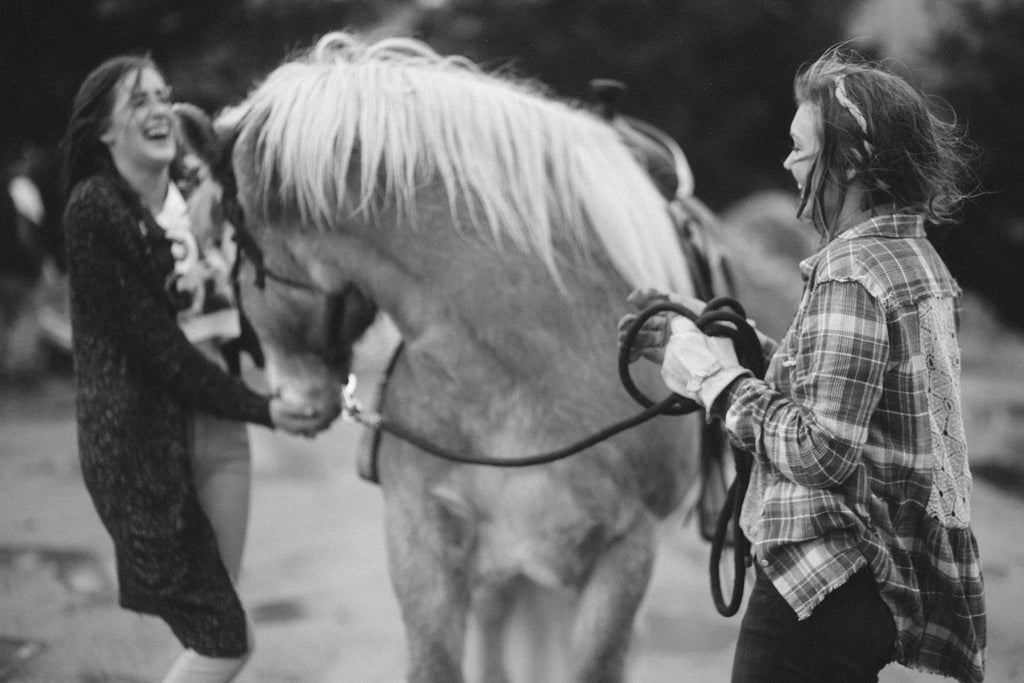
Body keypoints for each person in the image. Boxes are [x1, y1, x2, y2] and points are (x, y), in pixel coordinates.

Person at [619, 47, 985, 682]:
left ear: (855, 159)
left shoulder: (852, 274)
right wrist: (716, 329)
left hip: (822, 582)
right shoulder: (913, 262)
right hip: (872, 583)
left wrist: (706, 375)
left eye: (800, 147)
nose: (788, 162)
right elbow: (849, 394)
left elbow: (821, 450)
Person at [60, 54, 338, 682]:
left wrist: (296, 378)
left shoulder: (196, 202)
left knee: (220, 623)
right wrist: (267, 409)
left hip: (222, 436)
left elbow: (242, 311)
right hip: (147, 446)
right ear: (104, 131)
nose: (159, 110)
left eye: (163, 95)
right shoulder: (95, 210)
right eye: (138, 102)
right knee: (226, 640)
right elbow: (160, 356)